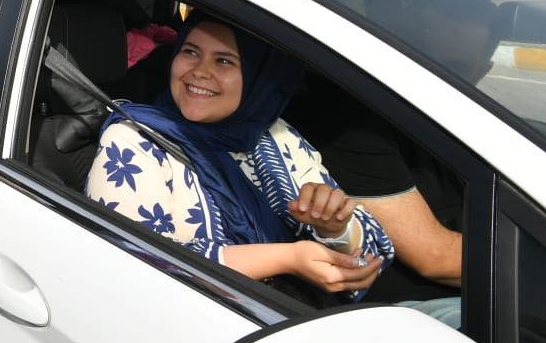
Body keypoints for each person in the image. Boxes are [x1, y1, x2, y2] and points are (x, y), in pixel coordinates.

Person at [85, 15, 392, 297]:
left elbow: (370, 250)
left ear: (260, 77)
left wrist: (333, 228)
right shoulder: (133, 140)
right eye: (190, 52)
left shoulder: (272, 134)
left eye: (224, 61)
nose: (200, 71)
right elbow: (133, 262)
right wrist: (287, 259)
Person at [299, 0, 498, 325]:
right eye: (425, 62)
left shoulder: (476, 123)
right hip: (410, 316)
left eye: (456, 68)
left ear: (484, 70)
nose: (436, 78)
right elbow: (433, 256)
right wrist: (544, 269)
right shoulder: (352, 122)